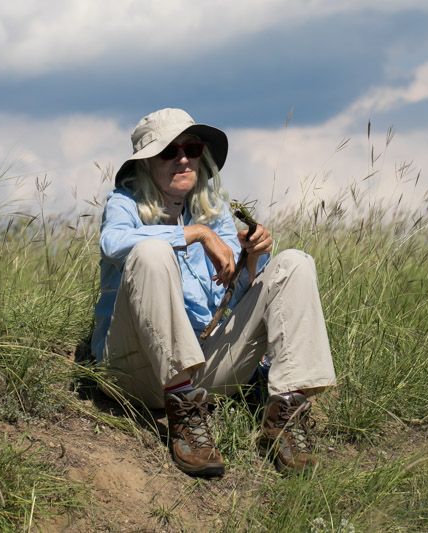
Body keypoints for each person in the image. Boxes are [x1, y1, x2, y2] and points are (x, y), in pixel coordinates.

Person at [90, 108, 337, 477]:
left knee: (295, 263)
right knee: (151, 252)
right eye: (168, 152)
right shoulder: (124, 203)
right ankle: (185, 415)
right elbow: (113, 243)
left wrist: (251, 261)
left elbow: (227, 306)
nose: (184, 159)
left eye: (192, 148)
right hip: (131, 371)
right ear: (145, 164)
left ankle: (287, 413)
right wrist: (194, 236)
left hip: (204, 367)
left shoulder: (212, 211)